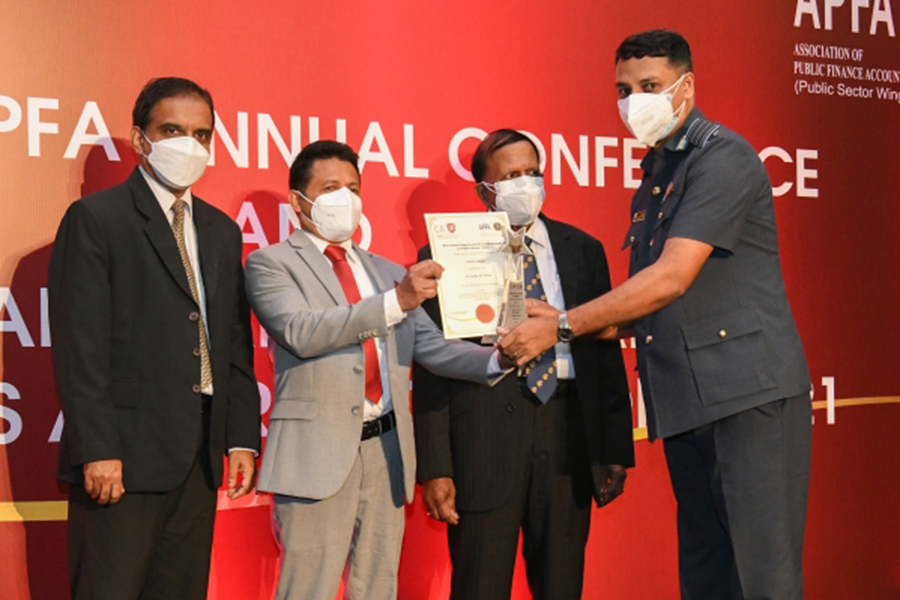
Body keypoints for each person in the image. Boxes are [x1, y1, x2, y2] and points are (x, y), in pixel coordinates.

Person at [500, 30, 812, 600]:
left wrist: (563, 326)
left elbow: (669, 279)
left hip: (746, 396)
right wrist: (561, 317)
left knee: (761, 578)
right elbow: (648, 305)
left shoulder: (723, 157)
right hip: (686, 400)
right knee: (707, 575)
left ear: (685, 86)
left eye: (649, 86)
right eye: (623, 89)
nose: (632, 102)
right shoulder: (659, 173)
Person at [245, 140, 508, 600]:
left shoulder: (387, 271)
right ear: (298, 201)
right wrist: (396, 301)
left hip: (386, 454)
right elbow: (303, 331)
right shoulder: (271, 264)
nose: (344, 198)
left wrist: (500, 357)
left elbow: (433, 347)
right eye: (330, 188)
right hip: (316, 456)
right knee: (307, 590)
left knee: (378, 589)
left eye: (352, 187)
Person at [49, 77, 261, 600]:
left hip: (199, 458)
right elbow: (81, 348)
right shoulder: (97, 220)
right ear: (140, 138)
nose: (189, 144)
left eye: (201, 133)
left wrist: (239, 436)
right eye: (172, 129)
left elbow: (232, 340)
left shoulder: (219, 229)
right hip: (122, 460)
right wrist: (97, 448)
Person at [413, 129, 634, 599]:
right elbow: (431, 365)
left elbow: (604, 353)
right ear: (484, 191)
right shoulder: (442, 255)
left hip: (567, 433)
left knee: (561, 586)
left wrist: (613, 445)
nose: (525, 184)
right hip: (482, 439)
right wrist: (436, 467)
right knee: (478, 586)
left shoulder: (583, 249)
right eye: (511, 176)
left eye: (532, 173)